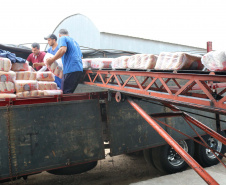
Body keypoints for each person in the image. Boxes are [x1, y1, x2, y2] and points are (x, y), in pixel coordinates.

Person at [46, 29, 83, 94]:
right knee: (69, 91)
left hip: (71, 69)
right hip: (79, 69)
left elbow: (62, 50)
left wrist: (52, 60)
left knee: (65, 93)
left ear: (59, 35)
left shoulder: (62, 38)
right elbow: (81, 57)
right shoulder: (75, 42)